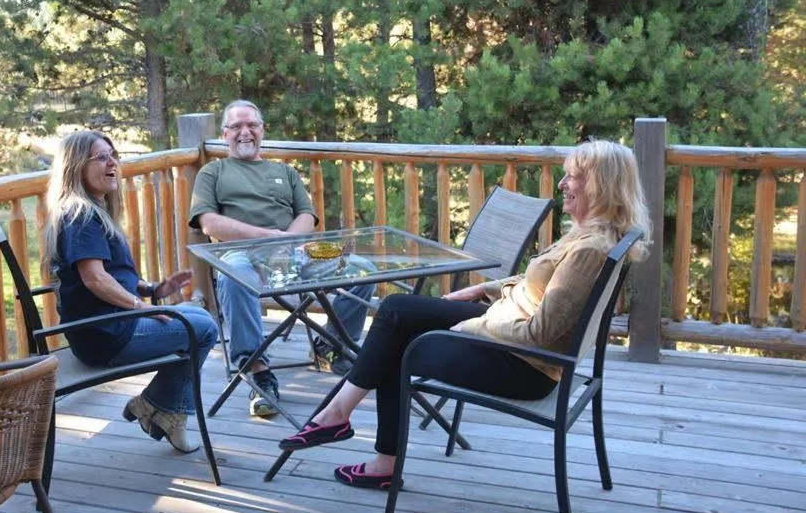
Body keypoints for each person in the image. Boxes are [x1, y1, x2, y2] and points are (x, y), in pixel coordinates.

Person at [277, 139, 651, 489]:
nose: (564, 184)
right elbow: (538, 282)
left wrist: (475, 324)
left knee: (397, 343)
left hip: (525, 366)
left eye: (574, 177)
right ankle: (342, 422)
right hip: (505, 334)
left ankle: (354, 436)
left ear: (600, 187)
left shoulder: (589, 249)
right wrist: (483, 290)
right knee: (394, 312)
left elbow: (541, 333)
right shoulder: (589, 233)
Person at [189, 99, 375, 417]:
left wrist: (287, 242)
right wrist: (267, 238)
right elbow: (208, 222)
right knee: (235, 278)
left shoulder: (284, 172)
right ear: (224, 134)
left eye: (252, 126)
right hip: (240, 255)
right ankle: (258, 372)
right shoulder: (213, 172)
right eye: (236, 127)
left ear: (263, 131)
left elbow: (307, 215)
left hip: (296, 252)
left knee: (362, 267)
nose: (245, 133)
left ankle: (331, 343)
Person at [43, 130, 219, 453]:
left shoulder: (91, 210)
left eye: (114, 155)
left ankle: (162, 410)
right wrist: (140, 306)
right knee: (204, 329)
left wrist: (154, 289)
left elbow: (112, 275)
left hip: (107, 326)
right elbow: (94, 279)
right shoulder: (80, 215)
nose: (112, 163)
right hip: (105, 335)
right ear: (76, 166)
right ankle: (157, 406)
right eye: (101, 157)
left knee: (198, 318)